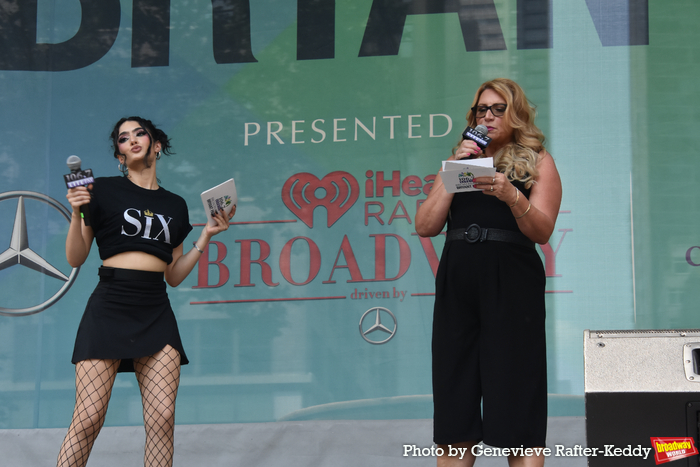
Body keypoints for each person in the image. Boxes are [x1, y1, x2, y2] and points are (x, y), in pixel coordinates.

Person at [57, 116, 235, 467]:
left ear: (156, 145)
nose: (132, 140)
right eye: (123, 139)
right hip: (109, 304)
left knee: (162, 418)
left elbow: (174, 275)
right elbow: (76, 256)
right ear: (120, 155)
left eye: (140, 133)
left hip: (155, 307)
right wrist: (76, 212)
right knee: (89, 418)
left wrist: (206, 235)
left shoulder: (176, 205)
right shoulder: (98, 189)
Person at [415, 79, 562, 467]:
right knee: (454, 395)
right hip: (458, 281)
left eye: (498, 109)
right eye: (482, 110)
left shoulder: (537, 160)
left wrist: (511, 195)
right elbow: (426, 225)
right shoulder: (463, 163)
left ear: (515, 114)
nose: (488, 116)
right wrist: (455, 170)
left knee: (517, 392)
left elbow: (543, 230)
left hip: (511, 282)